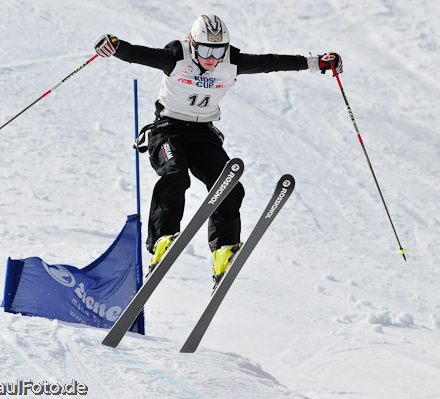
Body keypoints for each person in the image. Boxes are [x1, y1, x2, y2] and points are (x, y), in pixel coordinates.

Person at [94, 14, 342, 287]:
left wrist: (315, 63)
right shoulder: (176, 56)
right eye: (205, 50)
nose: (212, 58)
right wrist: (114, 46)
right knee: (175, 175)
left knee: (229, 186)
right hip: (167, 130)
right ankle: (162, 239)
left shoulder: (231, 63)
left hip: (203, 135)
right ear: (192, 43)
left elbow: (272, 62)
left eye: (218, 50)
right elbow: (136, 54)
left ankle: (224, 249)